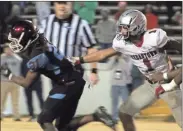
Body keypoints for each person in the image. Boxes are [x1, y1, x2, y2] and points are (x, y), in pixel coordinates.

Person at [69, 9, 182, 130]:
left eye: (125, 27)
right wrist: (79, 59)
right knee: (124, 113)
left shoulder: (154, 38)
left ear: (137, 27)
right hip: (150, 85)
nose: (122, 31)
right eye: (121, 27)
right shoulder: (122, 43)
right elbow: (103, 54)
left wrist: (166, 76)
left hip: (171, 84)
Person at [0, 20, 115, 131]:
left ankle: (96, 116)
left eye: (16, 40)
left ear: (25, 39)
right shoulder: (40, 41)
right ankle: (96, 116)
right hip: (74, 79)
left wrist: (9, 75)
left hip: (66, 83)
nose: (13, 43)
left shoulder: (37, 57)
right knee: (63, 127)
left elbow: (27, 83)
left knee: (44, 119)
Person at [1, 46, 22, 121]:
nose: (8, 51)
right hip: (4, 82)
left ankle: (16, 116)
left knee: (15, 101)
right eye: (7, 49)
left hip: (15, 83)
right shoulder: (1, 58)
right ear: (4, 50)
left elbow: (21, 70)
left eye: (10, 49)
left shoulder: (18, 59)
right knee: (1, 100)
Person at [21, 56, 44, 122]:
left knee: (40, 98)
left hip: (37, 81)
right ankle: (31, 115)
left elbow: (41, 70)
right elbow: (21, 70)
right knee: (29, 99)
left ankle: (44, 115)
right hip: (27, 82)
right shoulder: (24, 59)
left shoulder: (38, 59)